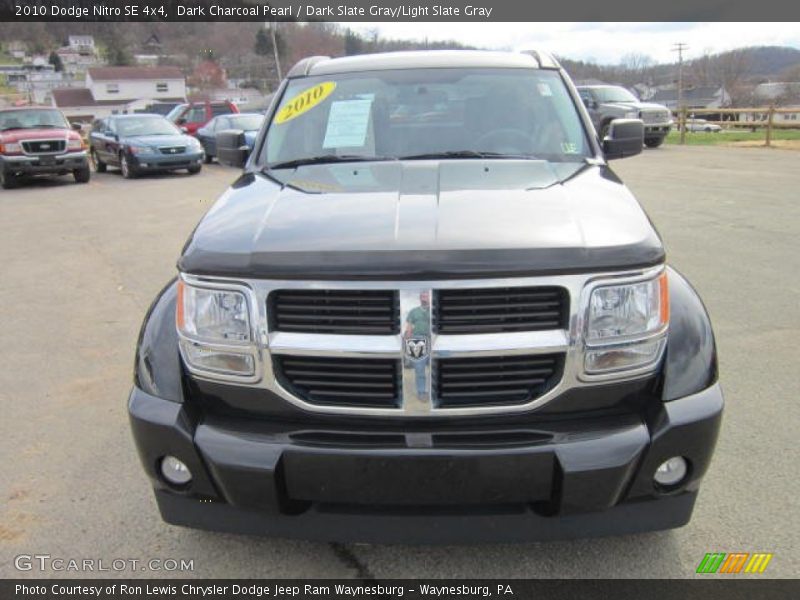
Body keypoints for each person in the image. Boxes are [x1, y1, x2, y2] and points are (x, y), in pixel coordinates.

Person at [404, 291, 430, 399]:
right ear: (420, 298)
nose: (424, 298)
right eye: (423, 296)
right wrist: (408, 338)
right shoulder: (414, 311)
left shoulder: (434, 310)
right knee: (419, 369)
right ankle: (421, 392)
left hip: (434, 339)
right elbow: (409, 326)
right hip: (418, 339)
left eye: (427, 296)